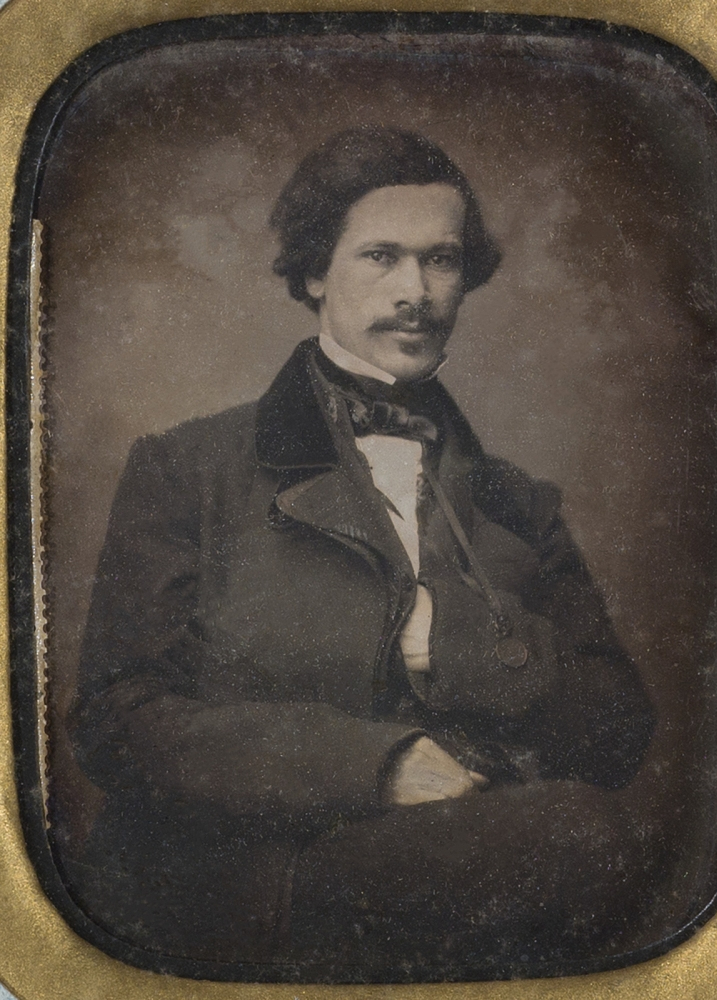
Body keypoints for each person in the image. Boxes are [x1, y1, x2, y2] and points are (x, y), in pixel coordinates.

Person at [66, 126, 659, 982]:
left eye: (442, 261)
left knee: (584, 837)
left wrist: (457, 641)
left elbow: (615, 729)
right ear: (314, 273)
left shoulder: (516, 501)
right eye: (380, 256)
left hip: (468, 867)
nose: (416, 291)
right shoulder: (187, 468)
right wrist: (377, 767)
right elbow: (118, 721)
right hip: (253, 887)